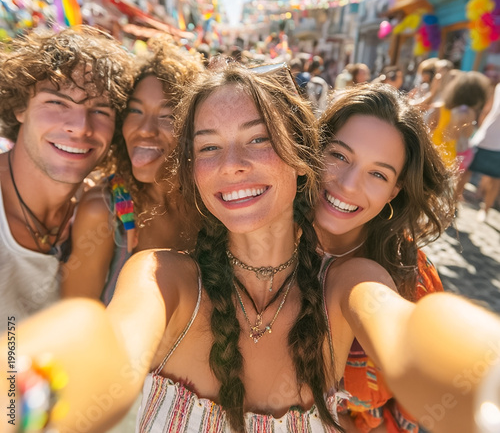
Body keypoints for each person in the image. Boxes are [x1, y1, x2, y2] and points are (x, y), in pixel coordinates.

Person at [2, 63, 500, 433]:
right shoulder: (162, 276)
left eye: (258, 140)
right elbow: (106, 346)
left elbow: (409, 337)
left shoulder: (350, 282)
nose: (231, 164)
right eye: (208, 147)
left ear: (301, 159)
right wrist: (19, 401)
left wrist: (486, 384)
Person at [314, 84, 456, 431]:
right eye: (338, 156)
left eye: (378, 173)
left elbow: (417, 402)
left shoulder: (412, 277)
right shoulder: (255, 240)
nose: (348, 184)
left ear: (395, 190)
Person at [0, 26, 133, 327]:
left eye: (100, 110)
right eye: (57, 102)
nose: (80, 127)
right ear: (21, 106)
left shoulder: (104, 203)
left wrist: (123, 193)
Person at [61, 36, 203, 304]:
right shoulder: (103, 211)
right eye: (135, 111)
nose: (145, 129)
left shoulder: (209, 207)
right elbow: (74, 323)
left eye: (167, 116)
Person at [458, 82, 500, 222]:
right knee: (466, 170)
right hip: (484, 137)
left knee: (496, 178)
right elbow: (486, 110)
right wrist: (479, 130)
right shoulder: (499, 86)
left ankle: (485, 210)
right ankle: (455, 200)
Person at [430, 71, 489, 170]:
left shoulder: (441, 108)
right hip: (459, 154)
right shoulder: (470, 112)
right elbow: (467, 134)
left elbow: (438, 132)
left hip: (442, 154)